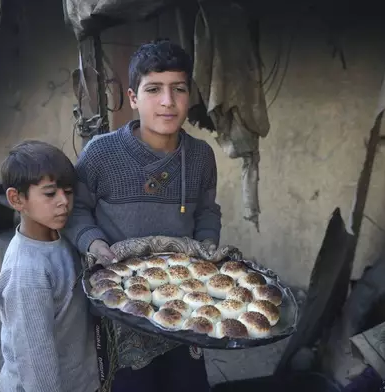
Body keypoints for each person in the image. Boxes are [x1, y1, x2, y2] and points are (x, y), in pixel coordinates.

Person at [63, 39, 221, 391]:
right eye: (154, 89)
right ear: (133, 98)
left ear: (190, 95)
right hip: (120, 304)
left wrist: (208, 248)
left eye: (178, 89)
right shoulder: (101, 154)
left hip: (185, 298)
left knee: (187, 382)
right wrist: (96, 244)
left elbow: (208, 211)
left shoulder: (200, 157)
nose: (167, 101)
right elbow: (77, 211)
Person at [0, 140, 99, 392]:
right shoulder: (27, 273)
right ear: (16, 199)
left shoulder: (62, 237)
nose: (64, 201)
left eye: (69, 191)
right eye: (50, 193)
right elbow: (35, 357)